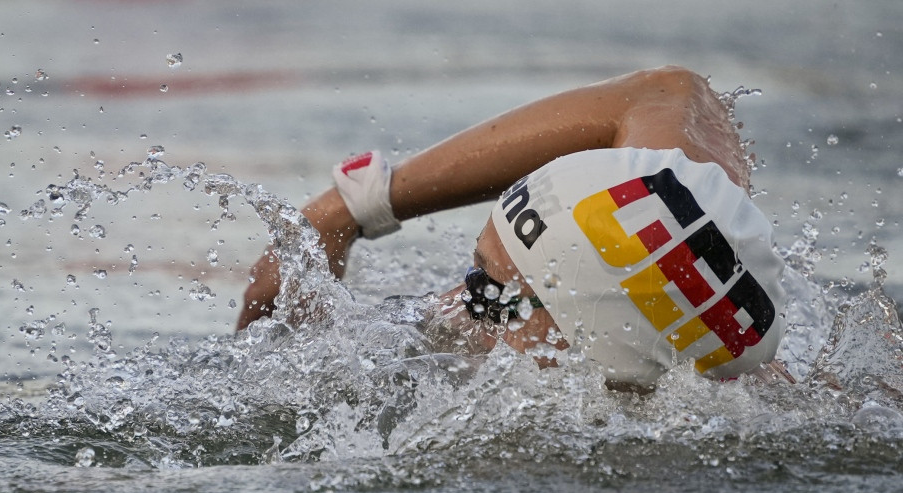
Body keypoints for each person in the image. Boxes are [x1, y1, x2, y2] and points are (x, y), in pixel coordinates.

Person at [236, 65, 793, 390]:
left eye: (484, 294)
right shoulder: (690, 237)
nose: (450, 303)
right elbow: (669, 93)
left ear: (588, 348)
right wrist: (352, 207)